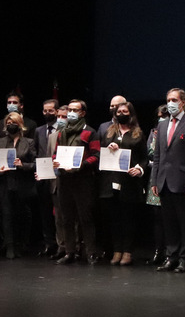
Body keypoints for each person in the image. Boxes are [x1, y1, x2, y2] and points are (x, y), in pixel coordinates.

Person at [150, 88, 185, 273]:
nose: (170, 103)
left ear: (183, 102)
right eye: (168, 99)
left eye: (174, 99)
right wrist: (154, 181)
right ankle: (171, 256)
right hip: (164, 181)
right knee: (169, 222)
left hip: (182, 181)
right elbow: (158, 156)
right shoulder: (162, 125)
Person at [99, 101, 147, 265]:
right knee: (114, 219)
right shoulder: (109, 132)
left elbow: (144, 157)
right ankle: (117, 250)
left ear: (131, 114)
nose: (121, 114)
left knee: (128, 219)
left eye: (125, 111)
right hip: (111, 182)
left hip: (130, 183)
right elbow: (101, 152)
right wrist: (108, 145)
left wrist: (139, 169)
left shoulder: (137, 133)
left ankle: (127, 252)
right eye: (119, 111)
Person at [54, 100, 101, 265]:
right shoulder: (62, 132)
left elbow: (96, 155)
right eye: (70, 110)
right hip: (65, 180)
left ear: (82, 113)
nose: (71, 113)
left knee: (85, 218)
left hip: (83, 180)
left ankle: (91, 252)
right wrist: (55, 162)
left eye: (75, 110)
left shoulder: (90, 133)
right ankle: (70, 252)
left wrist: (83, 164)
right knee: (67, 218)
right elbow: (55, 154)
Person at [0, 111, 36, 259]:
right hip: (5, 183)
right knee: (6, 215)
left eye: (14, 123)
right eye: (8, 124)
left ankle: (21, 244)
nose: (11, 126)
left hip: (22, 184)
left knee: (22, 215)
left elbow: (35, 164)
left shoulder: (28, 142)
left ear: (20, 125)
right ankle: (9, 246)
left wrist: (22, 164)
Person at [34, 99, 61, 257]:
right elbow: (38, 152)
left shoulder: (62, 129)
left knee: (59, 212)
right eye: (45, 111)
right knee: (44, 212)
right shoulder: (39, 130)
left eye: (51, 110)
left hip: (58, 175)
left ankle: (61, 243)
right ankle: (48, 243)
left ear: (57, 111)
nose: (47, 113)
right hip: (44, 175)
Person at [144, 104, 169, 265]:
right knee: (157, 218)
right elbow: (150, 152)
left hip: (171, 178)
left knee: (170, 218)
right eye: (159, 116)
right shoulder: (154, 132)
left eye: (164, 116)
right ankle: (158, 250)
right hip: (155, 177)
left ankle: (171, 251)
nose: (161, 118)